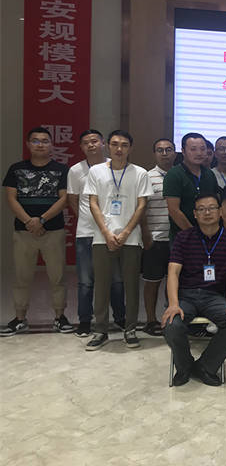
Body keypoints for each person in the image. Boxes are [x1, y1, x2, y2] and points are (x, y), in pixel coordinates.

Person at [162, 193, 226, 386]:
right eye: (202, 209)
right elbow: (173, 273)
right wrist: (173, 304)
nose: (207, 213)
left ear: (220, 212)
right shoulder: (183, 238)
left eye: (212, 208)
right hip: (186, 295)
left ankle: (206, 366)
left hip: (214, 296)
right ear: (195, 214)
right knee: (171, 324)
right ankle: (184, 367)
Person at [84, 130, 153, 350]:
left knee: (131, 285)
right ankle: (100, 330)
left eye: (124, 145)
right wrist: (106, 232)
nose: (119, 149)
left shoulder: (140, 173)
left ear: (131, 148)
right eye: (114, 144)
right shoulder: (96, 171)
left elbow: (142, 205)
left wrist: (125, 232)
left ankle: (130, 329)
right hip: (102, 237)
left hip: (131, 238)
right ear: (107, 146)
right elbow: (93, 203)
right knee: (101, 285)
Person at [1, 127, 72, 336]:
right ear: (28, 144)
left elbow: (64, 199)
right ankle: (19, 318)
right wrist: (29, 222)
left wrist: (41, 220)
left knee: (57, 276)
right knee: (21, 276)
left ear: (51, 145)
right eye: (35, 141)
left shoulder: (62, 169)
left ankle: (60, 317)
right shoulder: (16, 169)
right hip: (23, 232)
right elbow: (11, 198)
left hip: (53, 230)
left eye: (44, 141)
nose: (40, 144)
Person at [68, 130, 125, 337]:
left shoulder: (115, 165)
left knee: (116, 279)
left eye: (94, 141)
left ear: (103, 144)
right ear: (81, 147)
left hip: (112, 231)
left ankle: (120, 318)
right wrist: (90, 218)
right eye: (86, 143)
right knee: (86, 280)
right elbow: (73, 199)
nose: (91, 145)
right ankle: (85, 321)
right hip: (86, 232)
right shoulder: (76, 170)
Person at [139, 137, 176, 337]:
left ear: (175, 153)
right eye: (160, 150)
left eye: (168, 150)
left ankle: (171, 319)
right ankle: (151, 320)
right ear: (154, 154)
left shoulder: (180, 175)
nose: (164, 154)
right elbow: (141, 208)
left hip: (176, 239)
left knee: (175, 281)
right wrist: (146, 235)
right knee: (152, 281)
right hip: (155, 239)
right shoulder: (147, 176)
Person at [163, 132, 218, 240]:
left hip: (209, 234)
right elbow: (174, 210)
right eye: (193, 149)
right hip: (182, 236)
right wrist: (194, 234)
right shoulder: (174, 174)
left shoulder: (209, 174)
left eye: (202, 149)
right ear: (183, 151)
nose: (199, 153)